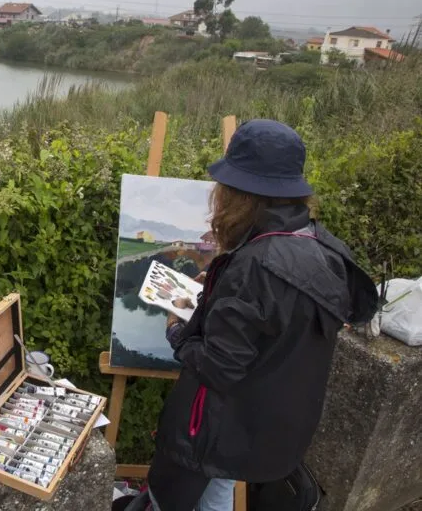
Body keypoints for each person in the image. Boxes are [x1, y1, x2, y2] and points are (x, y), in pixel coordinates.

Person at [146, 119, 378, 511]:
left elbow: (220, 367)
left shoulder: (253, 266)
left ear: (239, 196)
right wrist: (220, 286)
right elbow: (277, 322)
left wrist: (177, 332)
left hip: (219, 428)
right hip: (267, 428)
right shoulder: (326, 248)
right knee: (219, 490)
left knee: (174, 495)